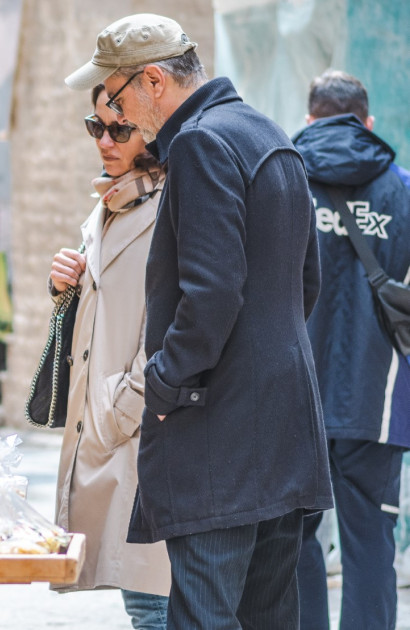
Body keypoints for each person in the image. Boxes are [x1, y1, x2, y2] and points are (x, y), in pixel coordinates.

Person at [66, 13, 332, 628]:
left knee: (203, 615)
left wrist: (162, 384)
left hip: (221, 436)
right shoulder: (266, 131)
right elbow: (306, 282)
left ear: (153, 81)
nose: (117, 111)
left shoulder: (199, 142)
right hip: (284, 424)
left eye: (117, 97)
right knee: (268, 616)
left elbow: (211, 295)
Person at [46, 86, 170, 629]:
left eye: (120, 129)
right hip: (109, 423)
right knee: (139, 592)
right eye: (95, 127)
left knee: (153, 594)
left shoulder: (170, 202)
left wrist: (127, 402)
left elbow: (179, 317)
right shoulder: (114, 199)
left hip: (144, 421)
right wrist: (65, 286)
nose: (104, 140)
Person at [293, 70, 410, 630]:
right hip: (377, 397)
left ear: (309, 119)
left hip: (292, 393)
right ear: (368, 122)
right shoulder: (402, 189)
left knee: (293, 539)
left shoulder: (282, 179)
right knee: (370, 543)